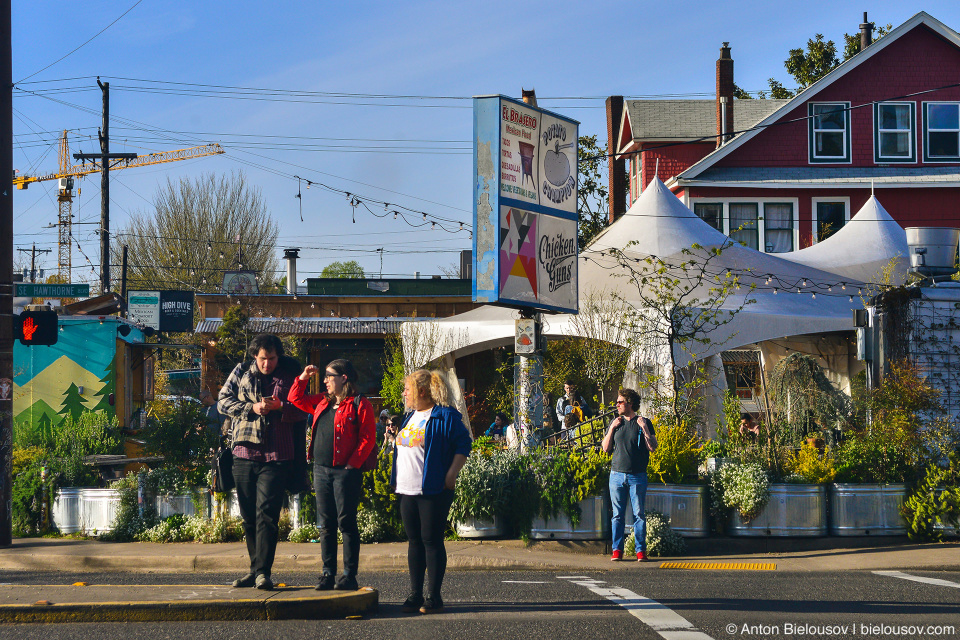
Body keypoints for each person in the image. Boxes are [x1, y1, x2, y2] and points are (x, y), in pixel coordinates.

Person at [217, 334, 306, 590]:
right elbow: (223, 401)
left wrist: (280, 407)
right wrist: (251, 408)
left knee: (267, 514)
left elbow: (303, 410)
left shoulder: (291, 375)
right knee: (248, 516)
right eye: (263, 359)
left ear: (279, 356)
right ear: (255, 356)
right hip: (244, 453)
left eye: (272, 358)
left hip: (278, 455)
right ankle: (254, 569)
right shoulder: (242, 371)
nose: (268, 364)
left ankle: (263, 572)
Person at [288, 358, 376, 591]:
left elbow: (367, 438)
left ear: (344, 378)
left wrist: (353, 464)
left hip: (345, 473)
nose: (325, 380)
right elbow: (294, 399)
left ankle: (349, 575)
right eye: (325, 376)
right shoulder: (322, 402)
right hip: (321, 470)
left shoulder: (360, 404)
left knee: (346, 522)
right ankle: (327, 573)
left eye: (330, 375)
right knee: (325, 524)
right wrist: (303, 377)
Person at [393, 369, 472, 614]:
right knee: (414, 542)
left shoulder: (444, 416)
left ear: (422, 391)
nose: (404, 393)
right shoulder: (409, 417)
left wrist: (452, 473)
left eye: (407, 389)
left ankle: (433, 596)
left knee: (431, 541)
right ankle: (415, 594)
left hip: (432, 489)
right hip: (407, 490)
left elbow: (464, 443)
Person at [602, 387, 657, 562]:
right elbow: (605, 448)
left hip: (637, 476)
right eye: (617, 402)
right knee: (617, 515)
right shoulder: (616, 422)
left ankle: (640, 551)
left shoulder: (643, 422)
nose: (617, 405)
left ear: (630, 404)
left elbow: (653, 447)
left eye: (620, 402)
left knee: (639, 514)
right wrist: (611, 429)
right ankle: (617, 550)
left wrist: (645, 430)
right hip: (617, 474)